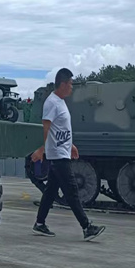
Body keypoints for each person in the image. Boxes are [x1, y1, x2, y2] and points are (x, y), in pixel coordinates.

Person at [31, 68, 105, 240]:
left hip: (62, 151)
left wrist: (70, 145)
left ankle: (40, 223)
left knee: (50, 191)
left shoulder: (61, 101)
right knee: (71, 191)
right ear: (63, 84)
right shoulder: (52, 103)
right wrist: (42, 149)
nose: (72, 87)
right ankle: (87, 227)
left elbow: (60, 128)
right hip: (57, 155)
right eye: (70, 83)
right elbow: (46, 127)